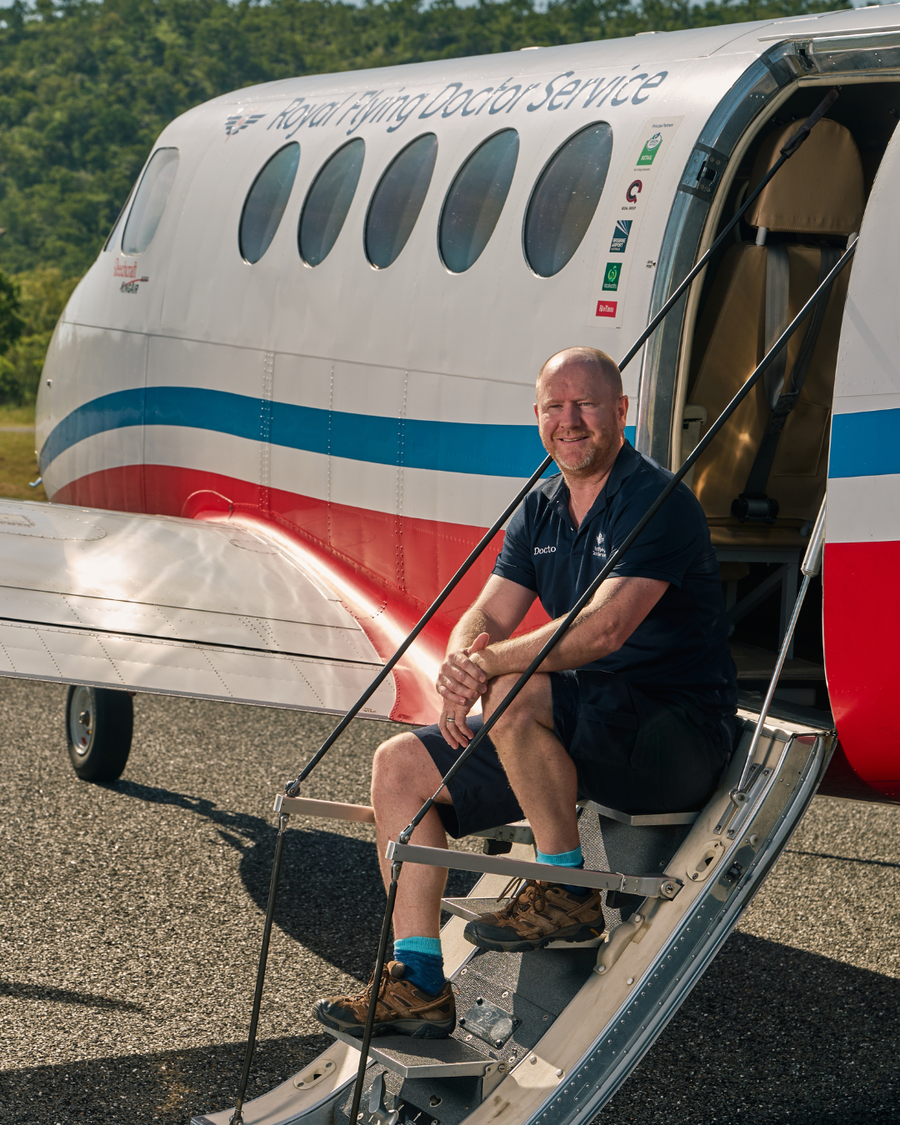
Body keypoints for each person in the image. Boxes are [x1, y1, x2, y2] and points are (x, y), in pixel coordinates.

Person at [314, 346, 737, 1040]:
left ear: (622, 412)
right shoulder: (542, 505)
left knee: (513, 682)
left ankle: (566, 887)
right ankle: (418, 982)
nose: (569, 421)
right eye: (554, 407)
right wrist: (459, 659)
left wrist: (488, 669)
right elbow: (489, 613)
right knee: (399, 767)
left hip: (672, 733)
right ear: (537, 416)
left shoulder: (655, 500)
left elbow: (605, 627)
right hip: (585, 723)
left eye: (587, 405)